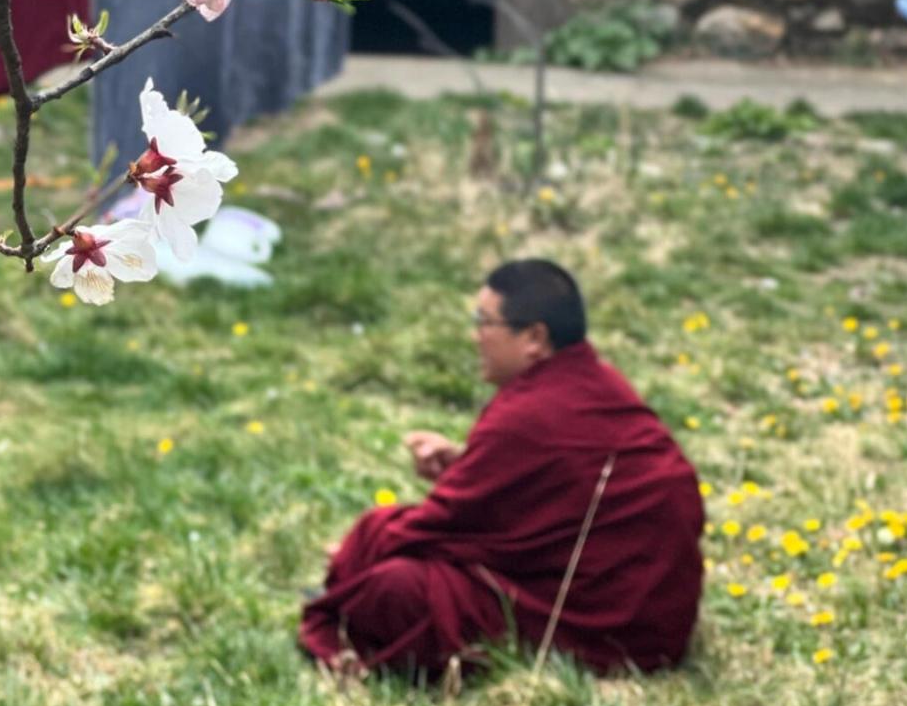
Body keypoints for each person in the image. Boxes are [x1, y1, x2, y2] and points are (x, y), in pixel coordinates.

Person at [300, 259, 703, 678]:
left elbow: (440, 526)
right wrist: (463, 462)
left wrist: (354, 556)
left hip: (603, 629)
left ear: (534, 337)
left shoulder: (527, 414)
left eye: (484, 322)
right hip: (659, 624)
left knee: (395, 582)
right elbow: (555, 492)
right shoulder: (600, 380)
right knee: (388, 545)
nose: (475, 337)